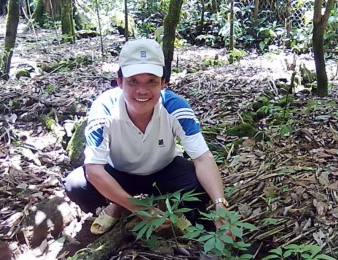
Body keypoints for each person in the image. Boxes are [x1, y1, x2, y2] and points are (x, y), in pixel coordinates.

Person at [63, 38, 228, 234]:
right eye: (133, 81)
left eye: (151, 81)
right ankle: (120, 203)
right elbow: (94, 170)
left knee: (200, 185)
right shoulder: (105, 109)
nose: (142, 90)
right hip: (119, 172)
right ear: (120, 82)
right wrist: (138, 208)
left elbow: (202, 158)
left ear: (163, 83)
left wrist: (220, 204)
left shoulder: (176, 107)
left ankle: (158, 204)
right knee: (77, 185)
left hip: (165, 169)